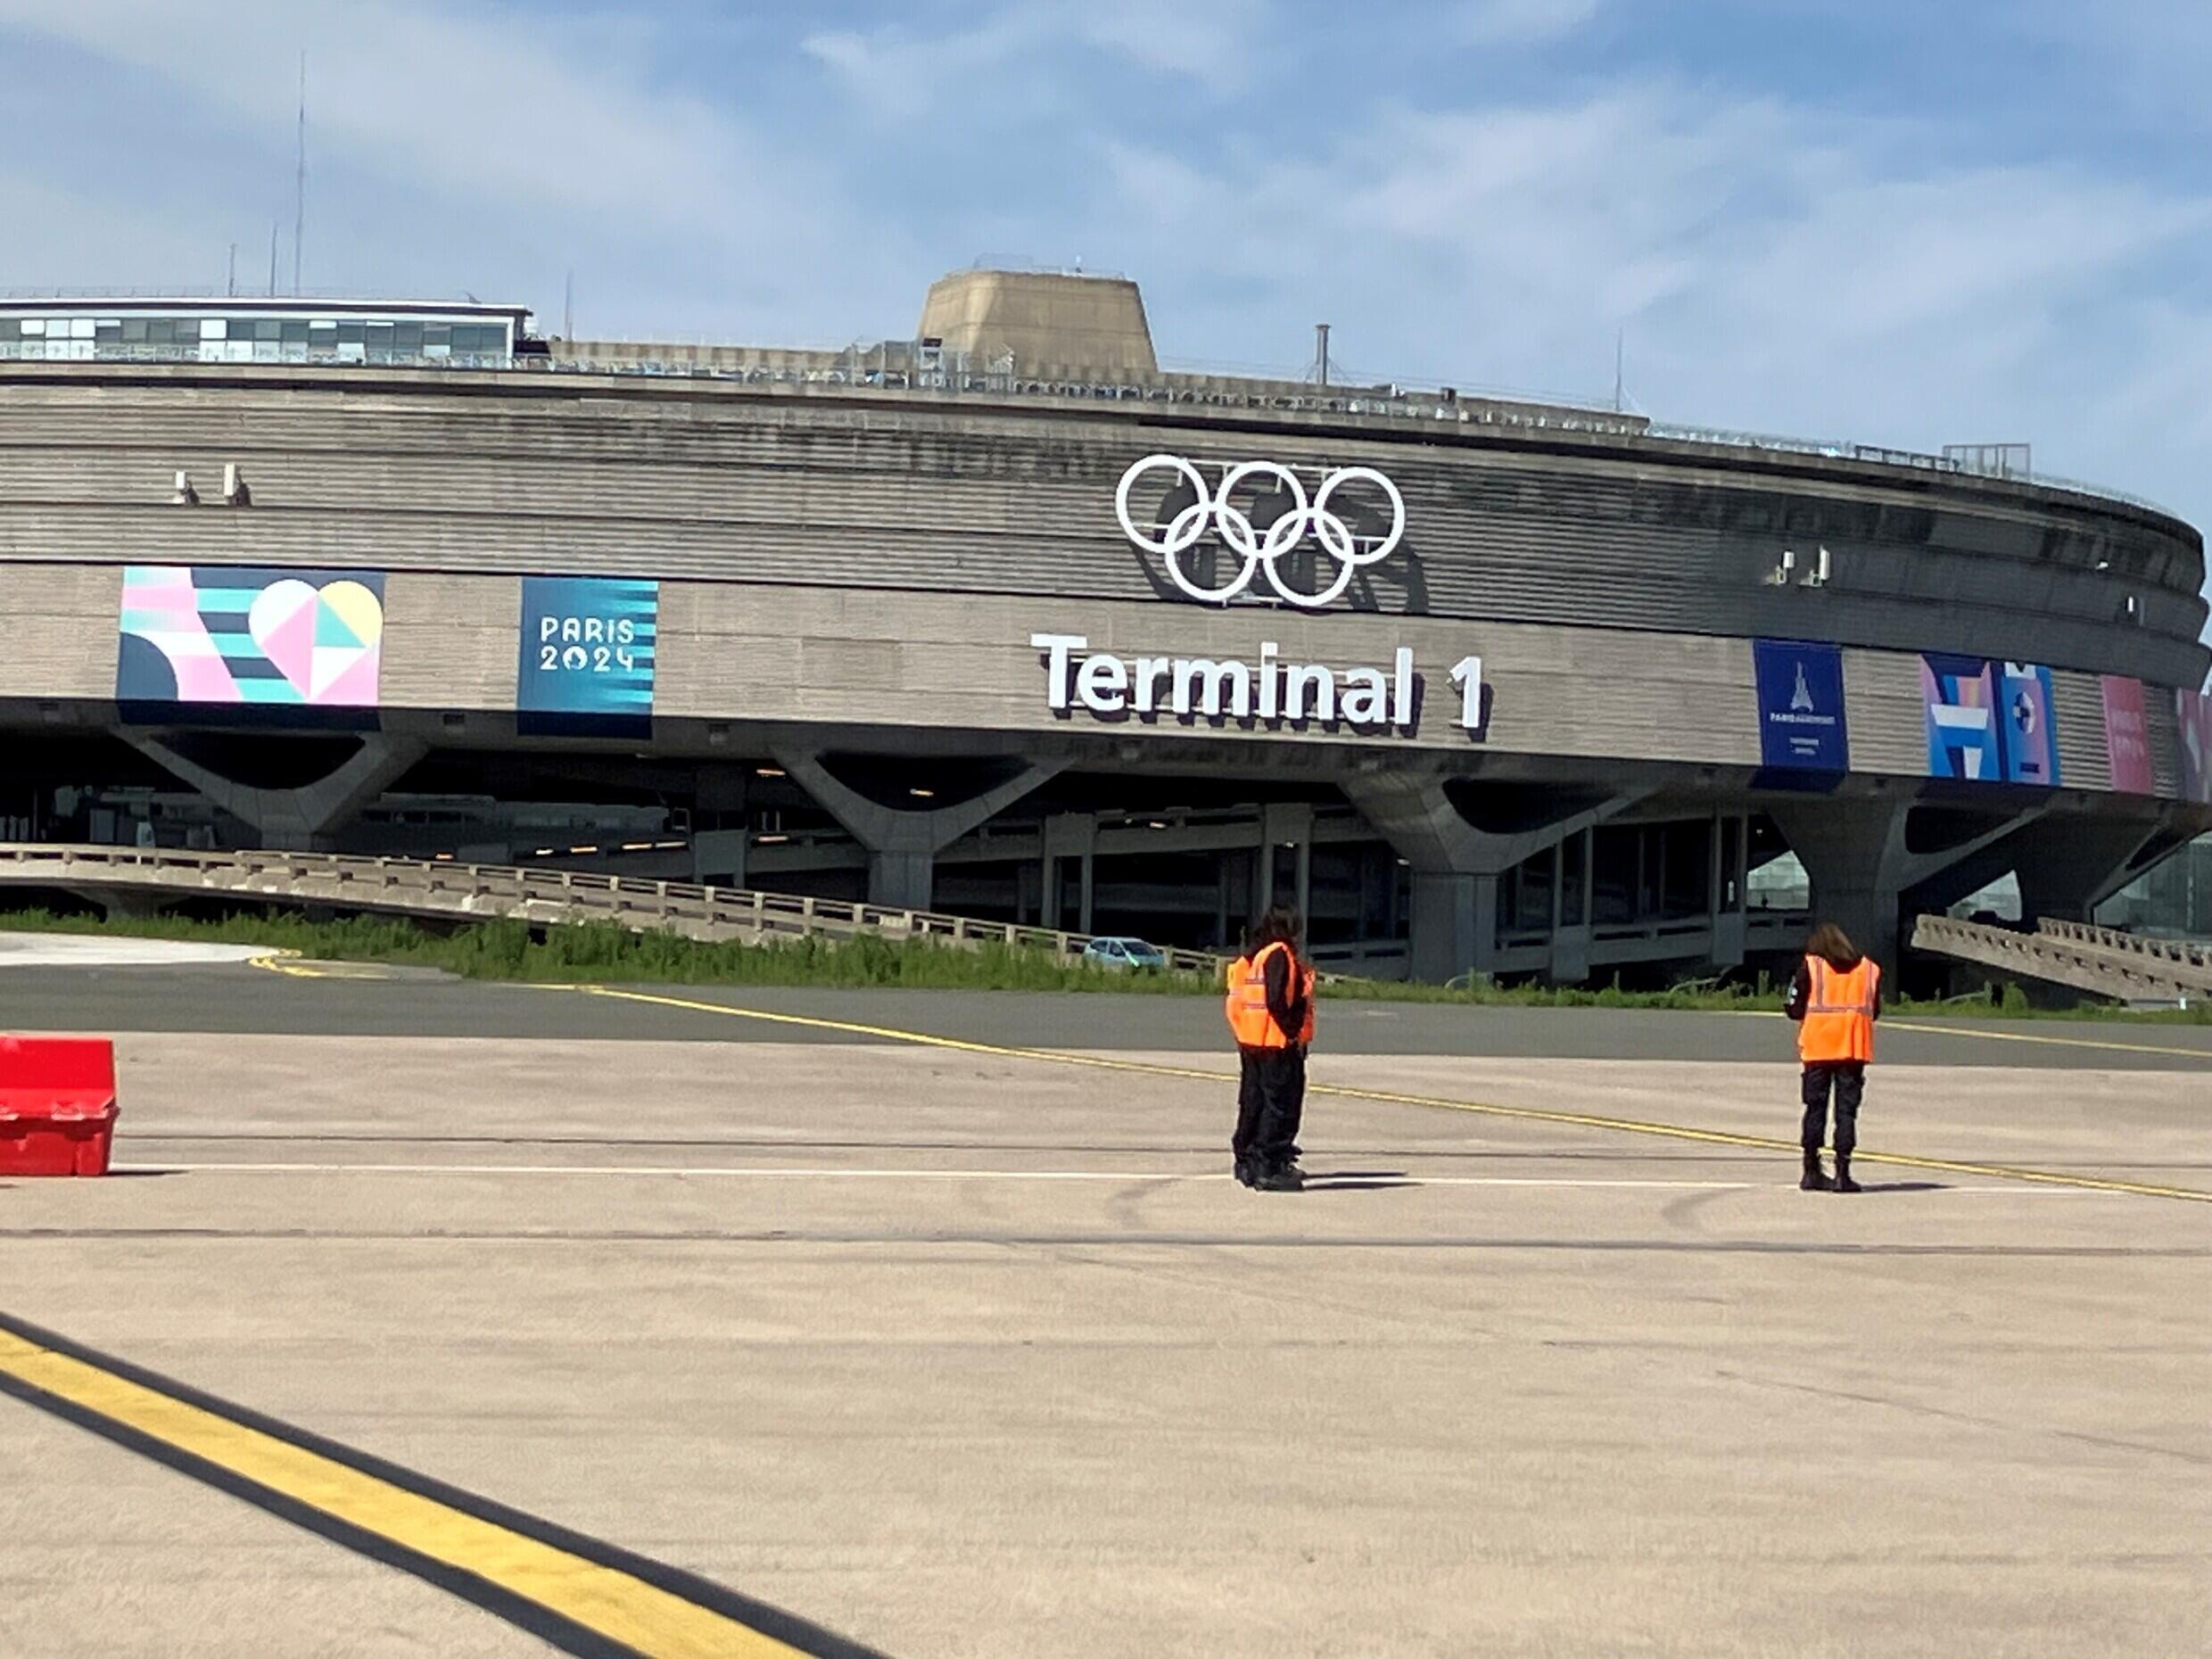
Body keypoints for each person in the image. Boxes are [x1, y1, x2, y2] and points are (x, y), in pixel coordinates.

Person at [1785, 921, 1881, 1193]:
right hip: (1852, 1049)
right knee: (1846, 1113)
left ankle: (1811, 1170)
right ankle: (1843, 1173)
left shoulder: (1811, 967)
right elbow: (1875, 1010)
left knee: (1815, 1109)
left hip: (1817, 1049)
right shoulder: (1868, 969)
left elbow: (1792, 1007)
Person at [1224, 905, 1315, 1192]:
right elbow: (1276, 999)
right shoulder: (1278, 955)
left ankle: (1254, 1160)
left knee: (1257, 1102)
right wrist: (1290, 1031)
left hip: (1255, 1040)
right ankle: (1269, 1164)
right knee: (1279, 1105)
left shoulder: (1256, 957)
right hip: (1275, 1042)